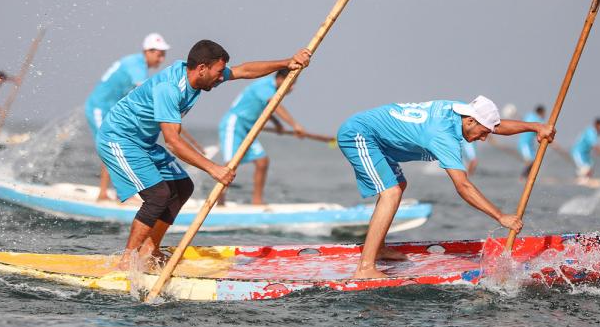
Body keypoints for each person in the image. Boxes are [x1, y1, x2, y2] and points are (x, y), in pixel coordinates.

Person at [96, 40, 310, 267]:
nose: (221, 78)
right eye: (218, 73)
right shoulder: (169, 89)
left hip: (144, 141)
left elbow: (244, 70)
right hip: (118, 139)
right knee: (158, 195)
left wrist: (288, 62)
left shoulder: (200, 74)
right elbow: (173, 143)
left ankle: (150, 250)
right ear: (201, 69)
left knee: (182, 187)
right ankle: (127, 260)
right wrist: (213, 168)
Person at [337, 96, 554, 279]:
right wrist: (500, 217)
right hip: (359, 134)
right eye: (483, 132)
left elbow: (496, 125)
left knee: (399, 185)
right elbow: (463, 186)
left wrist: (536, 127)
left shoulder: (460, 111)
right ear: (470, 121)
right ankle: (365, 268)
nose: (485, 138)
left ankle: (379, 248)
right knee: (391, 192)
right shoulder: (443, 136)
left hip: (378, 139)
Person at [84, 34, 171, 200]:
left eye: (163, 54)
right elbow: (146, 91)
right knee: (110, 146)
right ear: (148, 51)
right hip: (99, 108)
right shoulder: (136, 65)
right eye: (159, 54)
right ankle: (103, 194)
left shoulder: (137, 63)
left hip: (111, 111)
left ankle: (119, 192)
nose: (161, 59)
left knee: (123, 145)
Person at [218, 68, 306, 205]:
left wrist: (277, 124)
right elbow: (274, 105)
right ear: (280, 79)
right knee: (230, 165)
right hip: (234, 124)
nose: (293, 87)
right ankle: (219, 202)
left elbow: (267, 108)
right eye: (291, 83)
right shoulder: (264, 86)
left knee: (262, 162)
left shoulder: (271, 91)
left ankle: (257, 200)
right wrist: (295, 125)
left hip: (249, 128)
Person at [516, 105, 546, 176]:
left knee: (534, 161)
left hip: (528, 145)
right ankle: (523, 177)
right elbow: (541, 132)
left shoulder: (529, 115)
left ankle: (528, 177)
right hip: (524, 144)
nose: (545, 115)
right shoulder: (538, 120)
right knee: (530, 161)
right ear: (541, 112)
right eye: (544, 113)